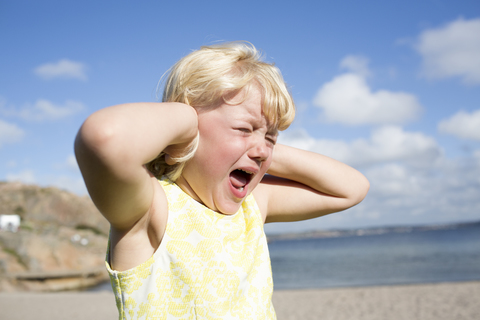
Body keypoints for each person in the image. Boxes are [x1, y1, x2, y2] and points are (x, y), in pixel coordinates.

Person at [75, 41, 369, 319]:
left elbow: (352, 189)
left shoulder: (252, 206)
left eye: (271, 137)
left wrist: (260, 149)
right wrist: (190, 125)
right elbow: (106, 138)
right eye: (243, 128)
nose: (262, 149)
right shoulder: (150, 209)